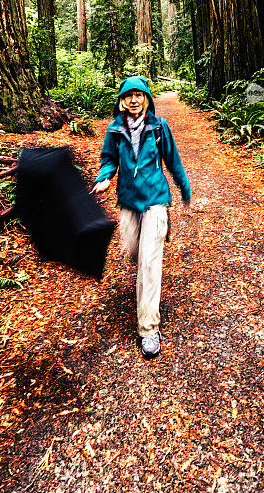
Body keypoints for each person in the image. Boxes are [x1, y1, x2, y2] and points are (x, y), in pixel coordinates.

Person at [92, 76, 191, 358]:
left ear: (146, 98)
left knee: (149, 262)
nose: (134, 100)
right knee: (135, 253)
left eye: (139, 94)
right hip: (128, 201)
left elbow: (172, 160)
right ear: (122, 100)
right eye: (129, 95)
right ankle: (147, 270)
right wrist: (105, 178)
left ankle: (148, 328)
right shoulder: (114, 129)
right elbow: (108, 159)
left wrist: (184, 187)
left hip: (155, 199)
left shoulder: (159, 127)